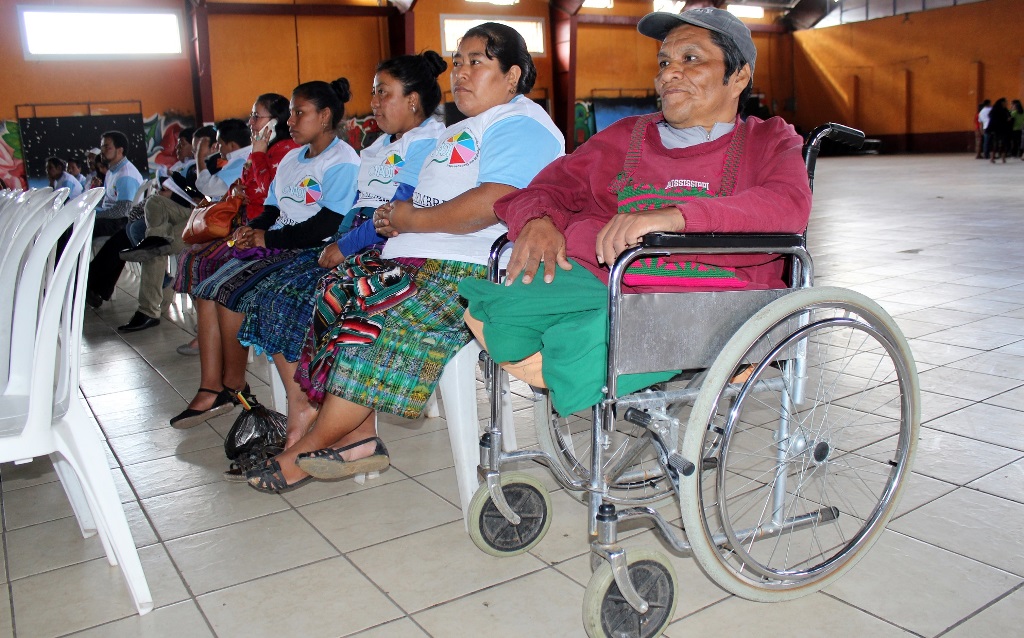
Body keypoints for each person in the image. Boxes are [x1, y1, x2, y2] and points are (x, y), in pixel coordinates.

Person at [244, 23, 564, 493]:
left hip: (468, 271)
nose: (462, 72)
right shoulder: (461, 128)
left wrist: (409, 220)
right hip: (416, 257)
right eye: (459, 62)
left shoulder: (520, 123)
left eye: (478, 62)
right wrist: (393, 216)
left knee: (372, 320)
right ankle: (356, 438)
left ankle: (307, 448)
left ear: (513, 75)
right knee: (334, 293)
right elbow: (417, 195)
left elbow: (494, 201)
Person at [459, 8, 813, 418]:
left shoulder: (768, 139)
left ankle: (578, 357)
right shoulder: (625, 137)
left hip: (708, 293)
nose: (668, 74)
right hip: (602, 276)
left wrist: (672, 217)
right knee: (498, 307)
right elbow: (547, 187)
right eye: (664, 62)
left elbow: (787, 206)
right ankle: (572, 352)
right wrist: (540, 219)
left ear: (738, 76)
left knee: (576, 344)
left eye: (691, 59)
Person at [223, 53, 447, 467]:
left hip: (392, 240)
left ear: (414, 100)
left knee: (307, 294)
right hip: (359, 235)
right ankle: (305, 407)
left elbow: (397, 210)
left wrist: (344, 246)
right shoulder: (380, 145)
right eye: (373, 93)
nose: (374, 103)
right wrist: (340, 239)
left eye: (384, 93)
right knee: (272, 296)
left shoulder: (429, 142)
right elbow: (360, 205)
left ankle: (333, 419)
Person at [171, 81, 357, 430]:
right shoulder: (291, 158)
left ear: (325, 115)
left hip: (313, 249)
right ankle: (215, 385)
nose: (291, 120)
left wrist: (268, 237)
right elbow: (273, 207)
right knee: (210, 284)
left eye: (299, 113)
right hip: (281, 243)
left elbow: (327, 222)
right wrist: (253, 228)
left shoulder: (342, 160)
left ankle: (232, 386)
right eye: (290, 113)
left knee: (230, 293)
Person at [173, 97, 299, 354]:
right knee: (193, 256)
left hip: (270, 229)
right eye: (251, 116)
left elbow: (266, 193)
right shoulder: (265, 148)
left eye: (257, 116)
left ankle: (223, 339)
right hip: (250, 222)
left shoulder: (285, 150)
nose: (250, 122)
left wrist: (259, 153)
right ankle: (212, 336)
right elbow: (244, 185)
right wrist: (240, 186)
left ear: (275, 122)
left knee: (207, 266)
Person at [85, 127, 215, 312]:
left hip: (191, 216)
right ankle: (98, 286)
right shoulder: (185, 167)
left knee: (136, 237)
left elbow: (124, 208)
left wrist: (175, 194)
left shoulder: (126, 174)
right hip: (167, 213)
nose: (180, 147)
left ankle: (94, 285)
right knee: (136, 234)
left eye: (190, 145)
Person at [114, 126, 200, 331]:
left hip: (208, 221)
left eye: (200, 146)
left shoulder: (223, 166)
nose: (196, 150)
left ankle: (147, 311)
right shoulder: (192, 167)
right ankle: (154, 242)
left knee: (152, 244)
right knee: (154, 203)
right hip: (188, 215)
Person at [93, 131, 144, 237]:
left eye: (107, 147)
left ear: (120, 150)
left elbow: (123, 210)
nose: (102, 151)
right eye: (102, 147)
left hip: (120, 223)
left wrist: (95, 215)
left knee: (75, 231)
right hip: (111, 220)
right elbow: (106, 199)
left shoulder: (126, 175)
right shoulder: (111, 172)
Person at [987, 97, 1011, 164]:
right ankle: (992, 158)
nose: (1007, 103)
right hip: (995, 129)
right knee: (994, 143)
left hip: (1003, 129)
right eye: (1006, 102)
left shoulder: (1005, 110)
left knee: (1003, 143)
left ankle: (1003, 158)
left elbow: (1009, 117)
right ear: (1002, 103)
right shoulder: (995, 110)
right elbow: (992, 119)